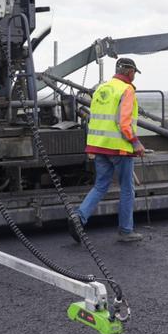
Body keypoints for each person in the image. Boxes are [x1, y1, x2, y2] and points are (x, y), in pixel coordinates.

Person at [70, 57, 146, 244]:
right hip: (119, 148)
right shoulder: (126, 90)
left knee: (100, 185)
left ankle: (79, 218)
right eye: (134, 72)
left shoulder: (102, 88)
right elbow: (124, 122)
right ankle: (126, 231)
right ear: (129, 72)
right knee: (127, 189)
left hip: (99, 145)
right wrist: (135, 143)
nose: (134, 75)